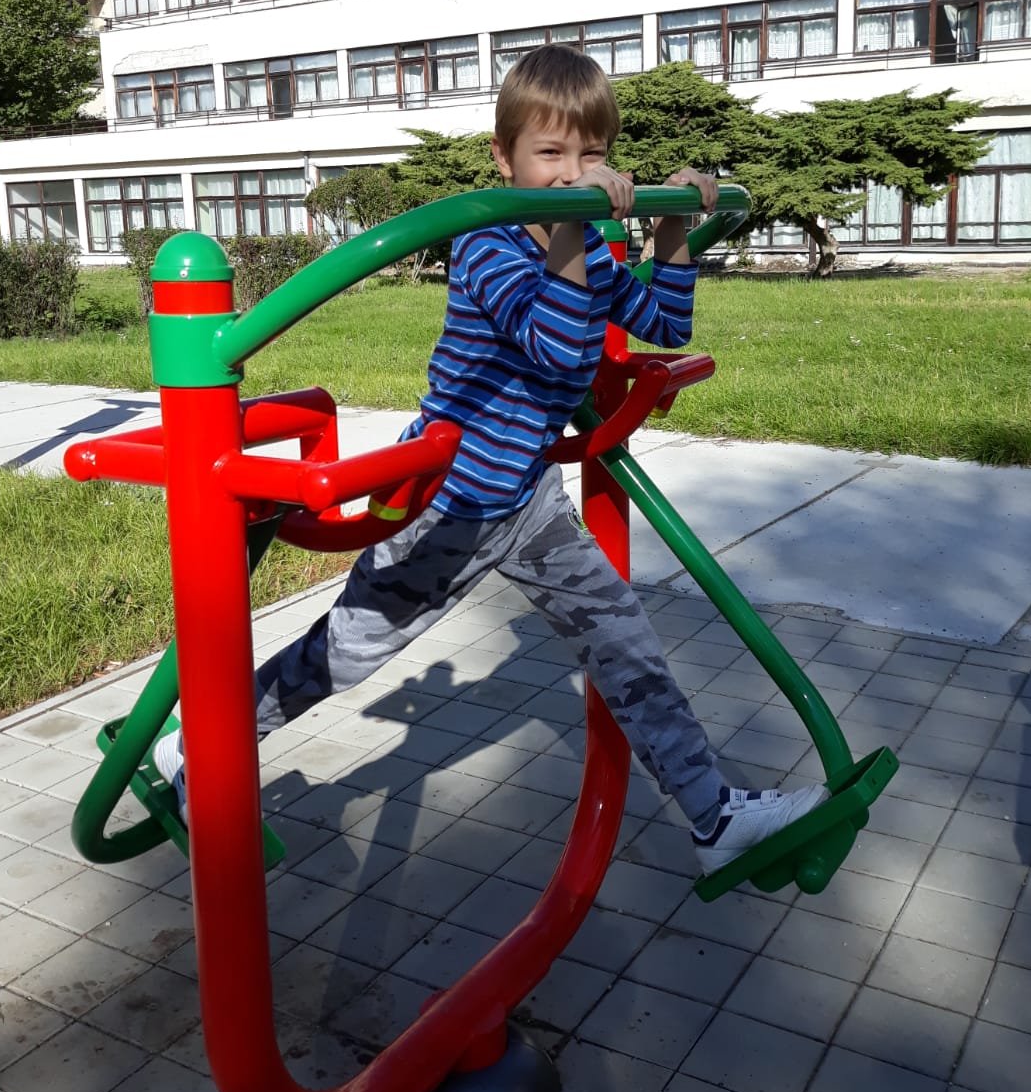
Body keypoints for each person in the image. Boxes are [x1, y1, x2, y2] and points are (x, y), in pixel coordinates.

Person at [154, 46, 826, 873]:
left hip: (529, 502)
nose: (573, 173)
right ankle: (202, 741)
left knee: (626, 643)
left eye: (591, 154)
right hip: (448, 503)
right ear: (505, 158)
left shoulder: (592, 246)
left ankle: (712, 817)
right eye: (551, 154)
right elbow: (557, 346)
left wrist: (673, 231)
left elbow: (663, 322)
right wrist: (577, 230)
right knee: (349, 652)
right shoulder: (486, 246)